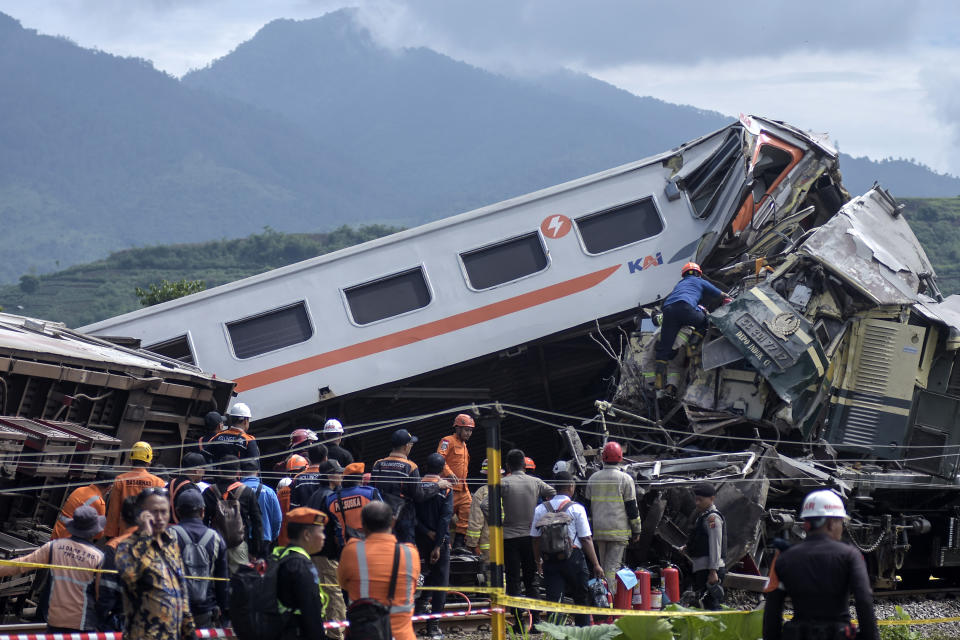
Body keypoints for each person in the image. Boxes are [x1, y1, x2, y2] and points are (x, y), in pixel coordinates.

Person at [763, 490, 878, 640]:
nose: (842, 528)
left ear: (806, 524)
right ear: (831, 523)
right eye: (841, 522)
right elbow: (864, 600)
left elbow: (772, 608)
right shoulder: (850, 556)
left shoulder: (784, 558)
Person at [0, 505, 105, 632]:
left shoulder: (54, 547)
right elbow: (101, 596)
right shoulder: (98, 557)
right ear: (94, 531)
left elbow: (19, 565)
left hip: (55, 620)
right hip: (83, 624)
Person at [116, 487, 195, 640]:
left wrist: (189, 631)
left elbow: (182, 592)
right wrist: (146, 535)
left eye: (164, 512)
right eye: (153, 512)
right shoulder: (128, 546)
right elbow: (131, 577)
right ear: (141, 514)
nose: (159, 517)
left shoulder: (171, 545)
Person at [338, 502, 421, 640]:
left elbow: (343, 584)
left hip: (364, 634)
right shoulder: (410, 553)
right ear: (393, 522)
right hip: (402, 636)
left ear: (363, 525)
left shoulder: (352, 551)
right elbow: (413, 586)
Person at [531, 472, 604, 628]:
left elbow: (536, 539)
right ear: (571, 486)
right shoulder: (577, 508)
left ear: (555, 488)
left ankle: (555, 635)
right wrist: (596, 564)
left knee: (554, 602)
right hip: (574, 558)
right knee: (581, 599)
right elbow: (586, 539)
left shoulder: (540, 509)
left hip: (550, 560)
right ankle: (582, 634)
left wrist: (538, 562)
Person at [500, 448, 556, 633]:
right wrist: (542, 514)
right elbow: (553, 492)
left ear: (507, 465)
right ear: (524, 465)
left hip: (509, 538)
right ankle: (536, 622)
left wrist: (498, 523)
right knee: (532, 579)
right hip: (531, 537)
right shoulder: (535, 481)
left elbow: (486, 504)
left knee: (514, 580)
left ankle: (519, 624)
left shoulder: (503, 482)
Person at [653, 262, 729, 389]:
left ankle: (659, 377)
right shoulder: (699, 281)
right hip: (685, 307)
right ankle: (692, 346)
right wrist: (728, 297)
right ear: (698, 273)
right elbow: (720, 294)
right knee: (704, 321)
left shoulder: (680, 284)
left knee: (664, 347)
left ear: (684, 274)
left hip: (668, 310)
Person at [371, 429, 450, 543]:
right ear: (406, 446)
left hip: (381, 517)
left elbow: (372, 490)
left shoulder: (378, 464)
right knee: (405, 553)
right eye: (411, 444)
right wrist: (437, 486)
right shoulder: (410, 467)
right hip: (403, 519)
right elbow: (419, 496)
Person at [584, 441, 642, 595]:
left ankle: (600, 599)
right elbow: (632, 508)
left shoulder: (593, 478)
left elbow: (587, 508)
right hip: (618, 533)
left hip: (598, 532)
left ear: (603, 458)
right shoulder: (625, 479)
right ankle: (610, 601)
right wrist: (637, 531)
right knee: (611, 569)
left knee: (601, 566)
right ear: (620, 458)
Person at [169, 490, 229, 628]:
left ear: (177, 511)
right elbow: (222, 582)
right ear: (203, 511)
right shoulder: (216, 539)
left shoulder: (168, 536)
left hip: (175, 609)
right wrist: (225, 612)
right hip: (205, 609)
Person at [305, 461, 347, 640]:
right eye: (339, 473)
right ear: (331, 476)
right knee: (334, 596)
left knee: (322, 595)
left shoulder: (315, 494)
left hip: (315, 553)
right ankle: (336, 634)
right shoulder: (330, 496)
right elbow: (337, 527)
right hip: (327, 554)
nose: (341, 476)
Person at [414, 453, 454, 638]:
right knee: (440, 582)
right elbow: (445, 518)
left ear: (425, 466)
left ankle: (417, 611)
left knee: (419, 577)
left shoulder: (417, 486)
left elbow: (411, 514)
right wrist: (438, 544)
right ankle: (433, 626)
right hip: (440, 543)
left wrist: (425, 532)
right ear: (442, 468)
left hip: (419, 540)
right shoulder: (446, 488)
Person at [275, 507, 330, 640]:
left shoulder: (282, 556)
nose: (324, 537)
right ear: (306, 535)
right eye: (321, 532)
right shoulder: (301, 566)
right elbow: (311, 613)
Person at [105, 441, 166, 537]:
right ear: (149, 462)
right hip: (149, 533)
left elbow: (114, 510)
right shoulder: (158, 482)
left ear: (131, 460)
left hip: (124, 533)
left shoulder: (121, 480)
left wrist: (110, 533)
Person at [214, 455, 264, 570]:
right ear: (238, 472)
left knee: (215, 581)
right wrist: (255, 550)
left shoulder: (210, 492)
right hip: (240, 545)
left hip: (215, 544)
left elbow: (203, 519)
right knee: (239, 581)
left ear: (220, 470)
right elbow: (257, 522)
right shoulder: (247, 492)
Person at [98, 496, 139, 631]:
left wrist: (100, 619)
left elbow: (106, 589)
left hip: (121, 621)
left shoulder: (115, 546)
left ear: (121, 517)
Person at [686, 483, 726, 610]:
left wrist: (713, 571)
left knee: (711, 605)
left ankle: (719, 629)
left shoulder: (712, 518)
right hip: (702, 568)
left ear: (712, 499)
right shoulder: (702, 516)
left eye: (700, 500)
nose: (697, 503)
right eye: (696, 499)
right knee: (703, 605)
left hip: (709, 569)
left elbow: (715, 545)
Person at [437, 413, 474, 550]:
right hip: (449, 488)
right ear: (457, 428)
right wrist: (449, 473)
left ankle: (459, 545)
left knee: (467, 514)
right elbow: (439, 458)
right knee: (444, 517)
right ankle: (442, 544)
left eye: (470, 430)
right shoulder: (447, 441)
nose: (468, 433)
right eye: (466, 429)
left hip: (463, 489)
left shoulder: (464, 446)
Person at [52, 469, 112, 539]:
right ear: (109, 487)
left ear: (94, 478)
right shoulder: (99, 503)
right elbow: (98, 534)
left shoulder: (79, 490)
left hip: (57, 534)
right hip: (72, 542)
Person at [240, 460, 282, 551]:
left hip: (242, 539)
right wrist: (272, 535)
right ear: (257, 472)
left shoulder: (236, 490)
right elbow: (277, 519)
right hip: (264, 538)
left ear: (240, 472)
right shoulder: (269, 492)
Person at [465, 459, 494, 561]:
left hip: (489, 544)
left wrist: (471, 543)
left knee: (491, 573)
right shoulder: (508, 489)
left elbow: (476, 520)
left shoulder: (481, 493)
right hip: (509, 542)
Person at [168, 452, 207, 524]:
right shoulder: (192, 490)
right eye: (204, 469)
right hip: (182, 530)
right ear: (197, 470)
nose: (204, 473)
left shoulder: (170, 483)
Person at [289, 443, 330, 508]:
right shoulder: (329, 477)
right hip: (324, 517)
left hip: (304, 517)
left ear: (309, 458)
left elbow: (293, 505)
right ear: (325, 458)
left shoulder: (297, 478)